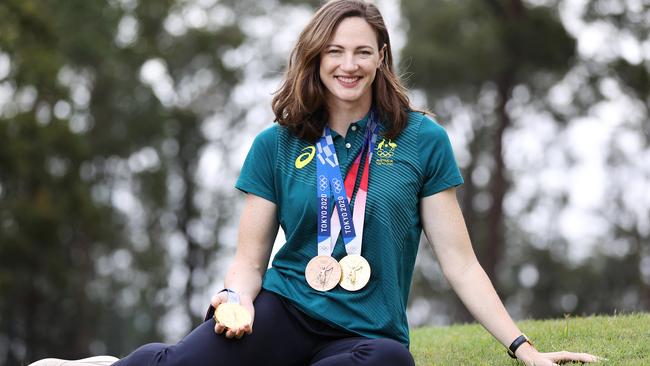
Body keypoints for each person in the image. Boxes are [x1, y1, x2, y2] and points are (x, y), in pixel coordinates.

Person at [29, 1, 601, 365]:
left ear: (381, 58)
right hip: (286, 308)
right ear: (315, 59)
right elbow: (250, 262)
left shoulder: (422, 140)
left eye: (361, 51)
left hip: (369, 334)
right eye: (334, 51)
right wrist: (235, 299)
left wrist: (524, 349)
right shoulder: (275, 143)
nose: (347, 64)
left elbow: (460, 263)